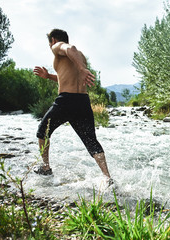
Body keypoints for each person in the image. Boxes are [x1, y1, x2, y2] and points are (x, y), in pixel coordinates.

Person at [33, 29, 112, 185]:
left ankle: (46, 167)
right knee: (91, 141)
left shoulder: (59, 47)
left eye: (50, 43)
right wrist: (49, 76)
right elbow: (66, 77)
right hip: (82, 101)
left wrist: (82, 70)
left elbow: (71, 48)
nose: (50, 46)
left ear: (53, 40)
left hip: (66, 101)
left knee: (42, 132)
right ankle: (107, 177)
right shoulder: (80, 57)